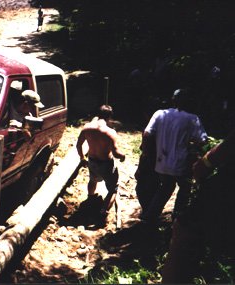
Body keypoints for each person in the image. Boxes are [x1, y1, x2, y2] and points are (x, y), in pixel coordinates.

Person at [161, 128, 235, 283]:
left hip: (223, 193)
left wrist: (205, 163)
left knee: (183, 234)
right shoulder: (193, 120)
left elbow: (208, 161)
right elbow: (204, 141)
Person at [140, 88, 208, 223]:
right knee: (184, 190)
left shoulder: (160, 114)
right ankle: (177, 219)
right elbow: (204, 140)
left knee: (165, 187)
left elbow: (147, 134)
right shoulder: (192, 118)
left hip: (162, 163)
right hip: (182, 163)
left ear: (173, 100)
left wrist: (148, 154)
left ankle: (150, 216)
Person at [76, 105, 126, 222]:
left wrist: (82, 158)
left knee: (93, 180)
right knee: (112, 189)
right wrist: (123, 156)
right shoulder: (110, 132)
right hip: (106, 164)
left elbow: (78, 145)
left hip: (92, 161)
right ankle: (103, 211)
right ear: (109, 117)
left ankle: (90, 198)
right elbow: (116, 153)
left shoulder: (87, 128)